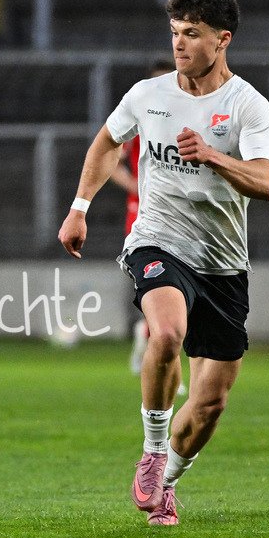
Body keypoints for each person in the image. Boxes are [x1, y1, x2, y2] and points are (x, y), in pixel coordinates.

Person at [58, 0, 269, 526]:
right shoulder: (148, 94)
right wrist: (80, 206)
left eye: (193, 34)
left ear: (222, 40)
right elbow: (108, 143)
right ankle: (153, 449)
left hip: (224, 264)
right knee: (166, 333)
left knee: (210, 405)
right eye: (175, 33)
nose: (180, 44)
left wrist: (211, 156)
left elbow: (267, 183)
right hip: (158, 239)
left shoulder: (247, 107)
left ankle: (170, 480)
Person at [107, 58, 177, 375]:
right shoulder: (139, 121)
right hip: (143, 214)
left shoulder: (188, 116)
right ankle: (161, 358)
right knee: (159, 281)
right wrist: (134, 186)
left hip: (180, 215)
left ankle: (149, 335)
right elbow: (109, 160)